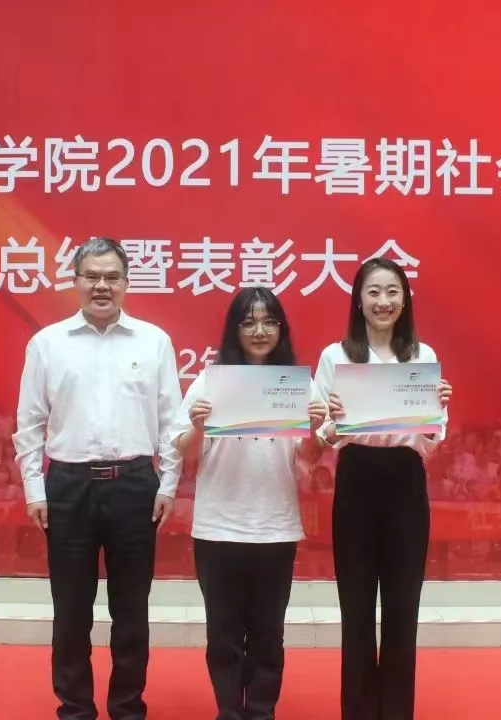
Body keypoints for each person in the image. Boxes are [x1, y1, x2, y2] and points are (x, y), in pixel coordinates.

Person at [13, 236, 183, 720]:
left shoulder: (153, 341)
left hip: (135, 485)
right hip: (68, 487)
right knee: (71, 609)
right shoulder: (47, 344)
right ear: (76, 282)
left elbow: (172, 421)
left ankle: (127, 707)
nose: (102, 286)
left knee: (131, 608)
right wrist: (34, 489)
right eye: (92, 276)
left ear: (126, 283)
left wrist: (168, 483)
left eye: (112, 277)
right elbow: (29, 423)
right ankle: (75, 708)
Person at [173, 287, 326, 720]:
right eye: (249, 322)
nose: (260, 331)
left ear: (281, 328)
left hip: (275, 528)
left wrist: (313, 429)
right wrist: (199, 427)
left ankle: (261, 710)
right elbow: (184, 450)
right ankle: (228, 710)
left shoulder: (296, 385)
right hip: (218, 529)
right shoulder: (210, 382)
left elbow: (311, 457)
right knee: (223, 633)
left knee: (268, 634)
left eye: (269, 322)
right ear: (234, 329)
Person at [314, 257, 452, 720]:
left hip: (405, 481)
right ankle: (357, 710)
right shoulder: (336, 357)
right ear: (359, 299)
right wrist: (332, 422)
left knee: (402, 606)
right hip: (356, 477)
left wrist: (435, 410)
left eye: (392, 292)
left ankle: (395, 711)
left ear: (405, 299)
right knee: (355, 608)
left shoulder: (423, 356)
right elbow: (320, 435)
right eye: (373, 292)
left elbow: (432, 437)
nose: (383, 301)